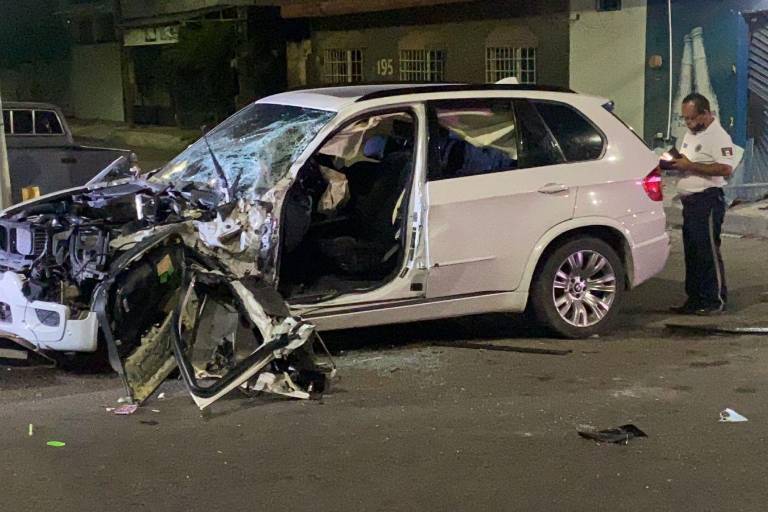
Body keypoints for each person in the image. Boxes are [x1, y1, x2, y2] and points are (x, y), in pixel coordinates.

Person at [669, 93, 735, 315]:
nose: (688, 123)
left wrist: (691, 166)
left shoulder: (719, 137)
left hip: (707, 200)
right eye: (685, 119)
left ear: (706, 114)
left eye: (692, 118)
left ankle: (714, 299)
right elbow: (688, 160)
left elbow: (726, 169)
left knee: (707, 251)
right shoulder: (691, 134)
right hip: (690, 202)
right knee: (693, 252)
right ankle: (695, 299)